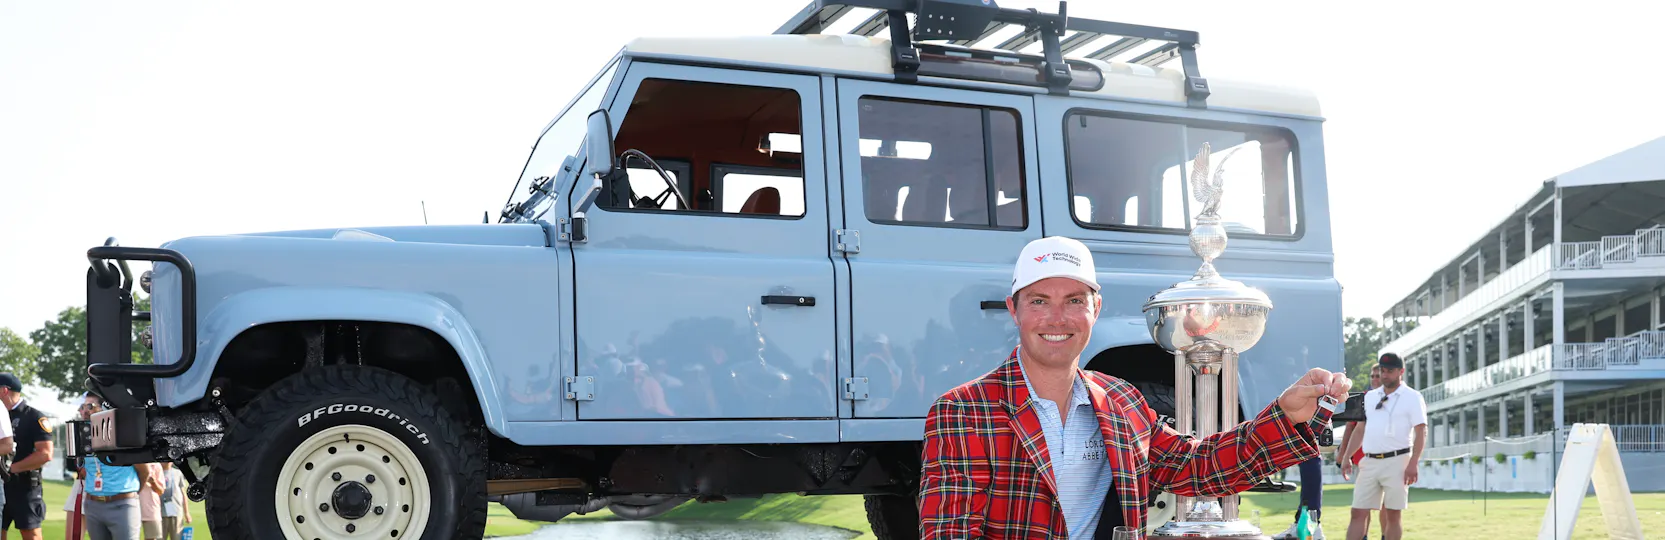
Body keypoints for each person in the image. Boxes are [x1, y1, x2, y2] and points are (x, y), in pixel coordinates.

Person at [918, 236, 1351, 539]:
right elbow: (951, 533)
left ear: (1095, 309)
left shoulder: (1120, 400)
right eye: (1038, 301)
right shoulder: (963, 409)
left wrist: (1287, 414)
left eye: (1074, 301)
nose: (1057, 318)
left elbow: (1198, 466)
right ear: (1014, 310)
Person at [1273, 365, 1382, 540]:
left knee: (1385, 510)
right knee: (1362, 507)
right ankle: (1314, 524)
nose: (1375, 379)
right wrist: (1344, 455)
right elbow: (1353, 428)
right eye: (1373, 375)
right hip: (1364, 458)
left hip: (1388, 458)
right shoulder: (1366, 397)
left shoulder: (1395, 398)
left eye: (1379, 375)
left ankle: (1312, 524)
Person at [1339, 354, 1426, 540]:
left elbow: (1421, 431)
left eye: (1390, 371)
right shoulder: (1369, 397)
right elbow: (1360, 429)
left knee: (1393, 515)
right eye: (1382, 371)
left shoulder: (1413, 397)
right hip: (1369, 461)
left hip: (1398, 461)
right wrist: (1347, 456)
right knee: (1357, 512)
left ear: (1401, 372)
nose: (1385, 375)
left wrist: (1414, 462)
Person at [76, 393, 150, 540]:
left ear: (104, 408)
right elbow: (84, 471)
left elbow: (144, 472)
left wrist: (128, 495)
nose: (85, 411)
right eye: (82, 407)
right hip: (92, 505)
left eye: (90, 406)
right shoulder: (83, 439)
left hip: (122, 505)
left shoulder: (124, 435)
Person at [0, 374, 51, 540]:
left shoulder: (33, 416)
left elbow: (45, 454)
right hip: (2, 485)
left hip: (25, 486)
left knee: (31, 534)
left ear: (4, 390)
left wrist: (11, 469)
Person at [157, 463, 190, 540]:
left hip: (176, 511)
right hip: (160, 512)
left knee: (176, 537)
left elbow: (183, 494)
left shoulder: (177, 473)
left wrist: (187, 513)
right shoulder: (157, 472)